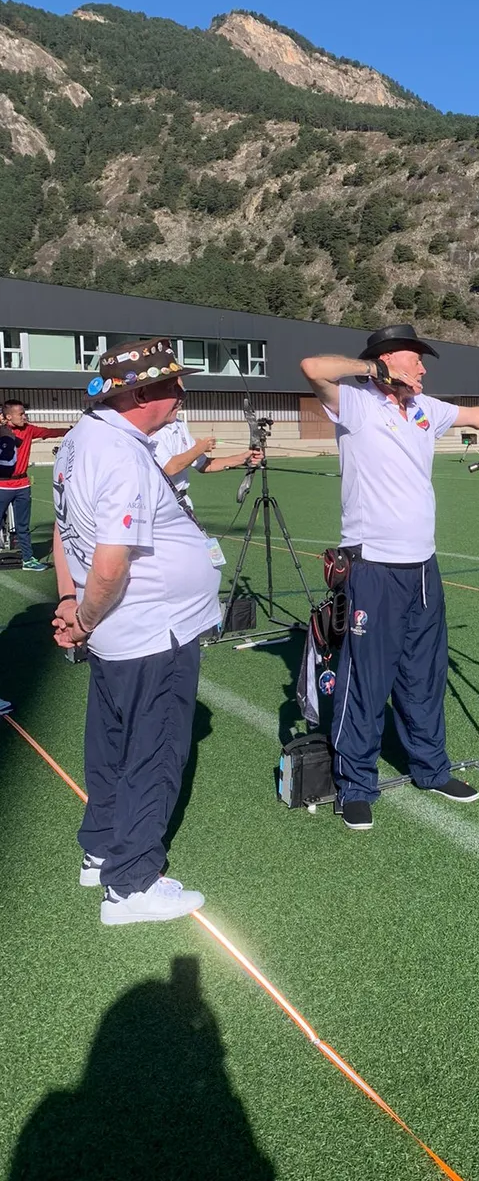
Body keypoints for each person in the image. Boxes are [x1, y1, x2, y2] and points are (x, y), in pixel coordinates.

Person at [300, 323, 479, 830]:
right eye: (415, 359)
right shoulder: (356, 402)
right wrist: (373, 370)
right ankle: (355, 784)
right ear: (387, 361)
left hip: (423, 566)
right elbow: (312, 368)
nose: (423, 368)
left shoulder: (425, 408)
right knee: (366, 681)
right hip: (373, 566)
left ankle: (431, 768)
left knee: (424, 676)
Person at [51, 338, 222, 925]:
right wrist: (83, 617)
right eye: (172, 384)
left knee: (110, 744)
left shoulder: (82, 439)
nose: (181, 393)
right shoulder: (121, 454)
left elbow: (63, 530)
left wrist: (72, 604)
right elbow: (111, 561)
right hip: (152, 631)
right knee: (154, 752)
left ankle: (101, 850)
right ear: (142, 394)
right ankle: (131, 885)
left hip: (118, 632)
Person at [0, 399, 71, 571]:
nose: (24, 417)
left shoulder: (29, 429)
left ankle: (28, 559)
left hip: (22, 485)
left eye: (24, 413)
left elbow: (49, 432)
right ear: (8, 416)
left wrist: (71, 431)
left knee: (23, 526)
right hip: (2, 485)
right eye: (21, 414)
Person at [152, 413, 262, 508]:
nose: (180, 401)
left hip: (182, 501)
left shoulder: (179, 424)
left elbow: (204, 464)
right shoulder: (151, 428)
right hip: (160, 503)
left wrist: (243, 459)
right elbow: (170, 468)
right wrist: (199, 448)